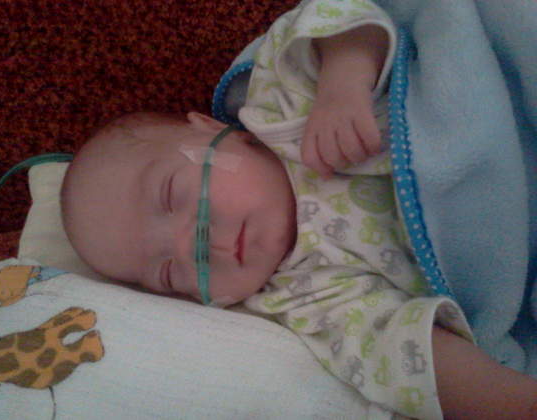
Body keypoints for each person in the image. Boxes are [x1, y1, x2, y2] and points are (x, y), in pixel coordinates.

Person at [61, 0, 537, 419]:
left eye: (172, 195)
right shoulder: (305, 302)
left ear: (208, 128)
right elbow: (406, 354)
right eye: (168, 272)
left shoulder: (281, 100)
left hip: (493, 100)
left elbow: (340, 17)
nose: (195, 244)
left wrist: (343, 82)